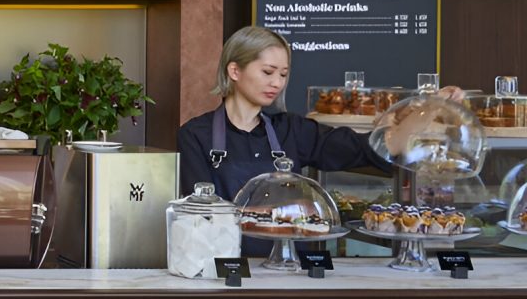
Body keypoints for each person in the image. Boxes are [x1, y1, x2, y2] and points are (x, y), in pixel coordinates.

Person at [177, 25, 462, 202]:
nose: (277, 82)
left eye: (283, 74)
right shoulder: (195, 135)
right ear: (234, 70)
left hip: (288, 266)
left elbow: (371, 149)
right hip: (225, 268)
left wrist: (432, 106)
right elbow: (198, 213)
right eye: (267, 72)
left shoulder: (295, 131)